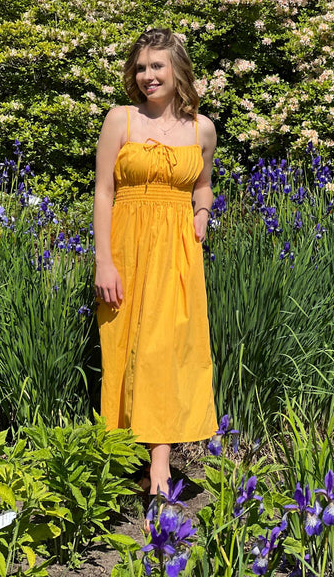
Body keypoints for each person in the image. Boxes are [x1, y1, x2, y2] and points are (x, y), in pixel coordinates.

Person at [93, 28, 217, 508]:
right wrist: (104, 261)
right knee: (125, 349)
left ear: (177, 70)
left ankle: (160, 465)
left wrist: (202, 212)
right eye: (141, 67)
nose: (148, 75)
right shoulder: (120, 120)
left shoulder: (201, 130)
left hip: (177, 253)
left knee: (165, 350)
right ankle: (123, 456)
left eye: (157, 66)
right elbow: (104, 192)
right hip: (126, 248)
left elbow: (202, 184)